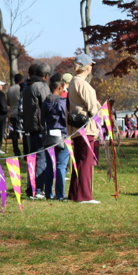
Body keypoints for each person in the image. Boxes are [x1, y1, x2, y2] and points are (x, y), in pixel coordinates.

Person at [67, 54, 101, 203]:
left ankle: (75, 194)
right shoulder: (82, 83)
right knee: (85, 163)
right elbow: (93, 108)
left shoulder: (73, 82)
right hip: (86, 127)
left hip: (77, 128)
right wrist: (100, 117)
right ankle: (84, 196)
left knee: (79, 162)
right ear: (87, 67)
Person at [20, 62, 51, 198]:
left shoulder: (28, 86)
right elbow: (47, 104)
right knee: (40, 158)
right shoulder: (41, 86)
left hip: (29, 127)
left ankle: (30, 187)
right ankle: (38, 189)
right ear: (46, 76)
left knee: (32, 158)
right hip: (39, 127)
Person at [41, 73, 69, 200]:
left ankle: (48, 193)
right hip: (62, 135)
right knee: (61, 165)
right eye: (63, 89)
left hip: (49, 134)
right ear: (59, 88)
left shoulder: (46, 102)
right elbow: (65, 119)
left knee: (49, 165)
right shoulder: (62, 102)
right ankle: (60, 194)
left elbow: (42, 119)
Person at [6, 73, 24, 156]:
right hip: (21, 112)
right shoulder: (22, 88)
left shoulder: (10, 89)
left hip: (13, 113)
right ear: (22, 80)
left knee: (14, 133)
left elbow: (8, 102)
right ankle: (26, 149)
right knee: (23, 132)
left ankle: (16, 150)